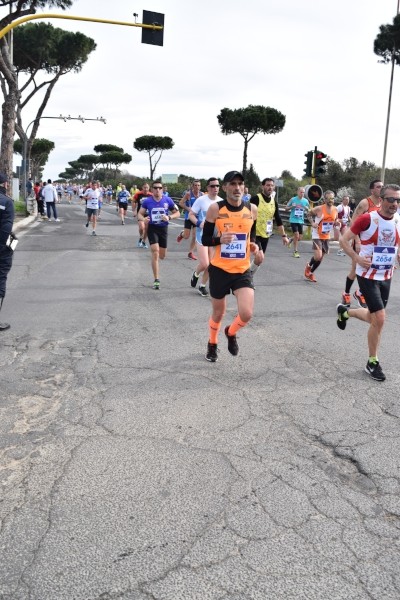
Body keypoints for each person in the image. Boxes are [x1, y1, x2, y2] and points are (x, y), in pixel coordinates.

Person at [336, 184, 400, 382]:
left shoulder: (398, 220)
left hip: (386, 275)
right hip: (367, 275)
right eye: (391, 199)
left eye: (398, 200)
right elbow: (344, 241)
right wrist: (356, 257)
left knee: (374, 317)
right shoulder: (367, 219)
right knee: (380, 318)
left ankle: (345, 312)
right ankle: (372, 362)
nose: (394, 204)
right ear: (381, 199)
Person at [201, 171, 263, 362]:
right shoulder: (215, 209)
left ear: (244, 187)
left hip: (242, 269)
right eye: (233, 184)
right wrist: (220, 239)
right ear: (226, 187)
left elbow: (251, 233)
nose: (237, 188)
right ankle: (212, 343)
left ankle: (231, 332)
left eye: (240, 184)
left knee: (246, 313)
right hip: (219, 269)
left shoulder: (252, 209)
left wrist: (254, 245)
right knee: (218, 313)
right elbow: (205, 239)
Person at [341, 180, 383, 307]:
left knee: (374, 268)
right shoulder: (365, 203)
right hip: (361, 240)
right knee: (355, 269)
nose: (381, 188)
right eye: (378, 187)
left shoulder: (382, 203)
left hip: (374, 243)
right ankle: (347, 293)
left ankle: (360, 292)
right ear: (372, 190)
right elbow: (354, 222)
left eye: (382, 186)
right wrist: (357, 240)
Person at [138, 182, 180, 289]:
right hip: (152, 228)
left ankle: (159, 259)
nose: (157, 190)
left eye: (159, 188)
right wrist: (143, 219)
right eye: (155, 188)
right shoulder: (147, 201)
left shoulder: (168, 200)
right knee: (155, 252)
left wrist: (169, 217)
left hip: (163, 229)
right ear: (152, 189)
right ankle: (156, 279)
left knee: (162, 256)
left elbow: (178, 213)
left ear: (162, 189)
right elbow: (140, 213)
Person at [188, 177, 222, 297]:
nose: (215, 188)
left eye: (217, 186)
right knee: (205, 264)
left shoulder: (222, 202)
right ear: (208, 188)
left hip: (214, 237)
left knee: (211, 264)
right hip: (201, 236)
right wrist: (199, 223)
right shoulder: (201, 200)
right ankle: (196, 273)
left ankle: (202, 286)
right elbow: (191, 215)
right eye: (212, 186)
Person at [304, 190, 339, 282]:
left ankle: (311, 273)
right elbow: (308, 214)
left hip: (326, 235)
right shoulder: (319, 208)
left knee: (321, 257)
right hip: (317, 235)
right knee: (318, 256)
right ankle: (308, 265)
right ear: (325, 199)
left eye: (332, 198)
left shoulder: (335, 209)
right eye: (328, 198)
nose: (331, 200)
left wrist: (336, 222)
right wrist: (312, 223)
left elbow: (335, 219)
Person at [250, 177, 290, 254]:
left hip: (266, 233)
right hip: (254, 234)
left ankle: (252, 266)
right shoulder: (255, 199)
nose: (270, 187)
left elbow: (278, 220)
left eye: (272, 185)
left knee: (260, 259)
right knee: (259, 255)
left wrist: (284, 236)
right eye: (268, 185)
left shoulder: (274, 202)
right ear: (262, 186)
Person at [0, 173, 15, 331]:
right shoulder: (7, 202)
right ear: (5, 185)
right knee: (0, 278)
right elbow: (6, 230)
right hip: (1, 248)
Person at [177, 180, 202, 260]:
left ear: (200, 186)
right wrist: (188, 209)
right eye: (195, 185)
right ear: (192, 186)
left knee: (195, 235)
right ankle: (182, 234)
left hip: (197, 218)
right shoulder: (188, 194)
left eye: (198, 185)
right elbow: (181, 203)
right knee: (187, 236)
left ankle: (190, 253)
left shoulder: (202, 195)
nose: (197, 187)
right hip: (189, 217)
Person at [286, 187, 310, 258]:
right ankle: (295, 251)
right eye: (301, 192)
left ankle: (290, 239)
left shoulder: (305, 201)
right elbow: (286, 208)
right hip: (293, 220)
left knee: (299, 238)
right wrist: (291, 207)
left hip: (301, 220)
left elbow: (309, 210)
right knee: (296, 235)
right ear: (297, 192)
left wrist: (307, 209)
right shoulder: (293, 199)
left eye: (303, 192)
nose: (302, 194)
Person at [132, 183, 152, 248]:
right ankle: (141, 237)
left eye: (147, 188)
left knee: (147, 229)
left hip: (148, 214)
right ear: (142, 188)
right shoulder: (138, 194)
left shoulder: (151, 195)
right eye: (144, 187)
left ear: (149, 188)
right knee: (142, 227)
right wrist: (134, 210)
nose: (146, 189)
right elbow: (133, 201)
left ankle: (143, 241)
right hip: (140, 214)